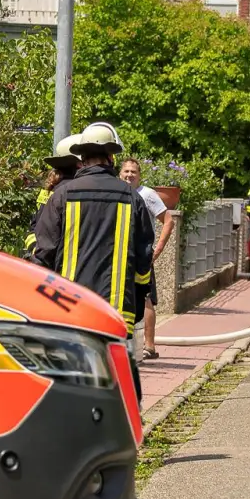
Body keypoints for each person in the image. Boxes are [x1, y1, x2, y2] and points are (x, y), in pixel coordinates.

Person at [31, 122, 155, 401]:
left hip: (71, 308)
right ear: (111, 158)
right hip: (118, 308)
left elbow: (44, 254)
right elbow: (144, 260)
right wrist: (136, 299)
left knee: (73, 378)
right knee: (119, 376)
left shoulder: (62, 195)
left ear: (82, 159)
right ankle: (125, 432)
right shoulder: (132, 197)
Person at [118, 157, 176, 360]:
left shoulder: (147, 194)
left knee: (146, 297)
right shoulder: (117, 192)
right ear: (119, 173)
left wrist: (156, 251)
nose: (129, 175)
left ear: (139, 175)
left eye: (133, 172)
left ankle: (149, 346)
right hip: (121, 255)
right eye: (126, 171)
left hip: (142, 255)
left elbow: (168, 221)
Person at [24, 134, 82, 257]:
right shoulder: (73, 191)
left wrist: (35, 250)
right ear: (80, 164)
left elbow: (34, 228)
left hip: (42, 257)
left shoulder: (51, 190)